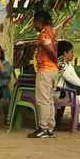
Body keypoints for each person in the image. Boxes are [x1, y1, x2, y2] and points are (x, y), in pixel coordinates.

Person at [31, 9, 60, 139]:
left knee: (42, 100)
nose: (33, 24)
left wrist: (54, 59)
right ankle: (50, 127)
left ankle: (43, 128)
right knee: (49, 100)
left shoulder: (44, 33)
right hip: (52, 70)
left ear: (39, 21)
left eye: (34, 21)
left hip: (46, 69)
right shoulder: (52, 31)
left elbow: (51, 50)